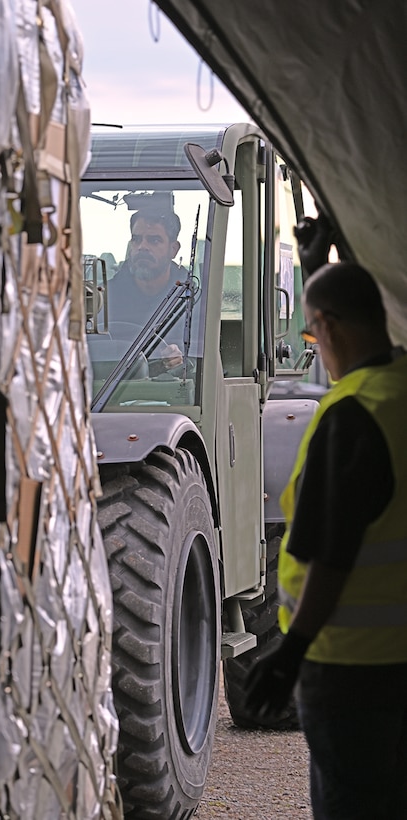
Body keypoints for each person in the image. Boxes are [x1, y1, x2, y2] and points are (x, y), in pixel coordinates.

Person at [245, 261, 407, 819]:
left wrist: (289, 654)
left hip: (350, 671)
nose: (317, 349)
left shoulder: (349, 415)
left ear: (330, 328)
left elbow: (331, 555)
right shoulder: (398, 391)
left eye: (313, 334)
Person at [106, 208, 186, 370]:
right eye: (136, 240)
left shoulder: (192, 298)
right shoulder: (106, 298)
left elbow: (202, 357)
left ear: (173, 249)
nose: (142, 247)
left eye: (154, 240)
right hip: (108, 392)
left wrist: (183, 360)